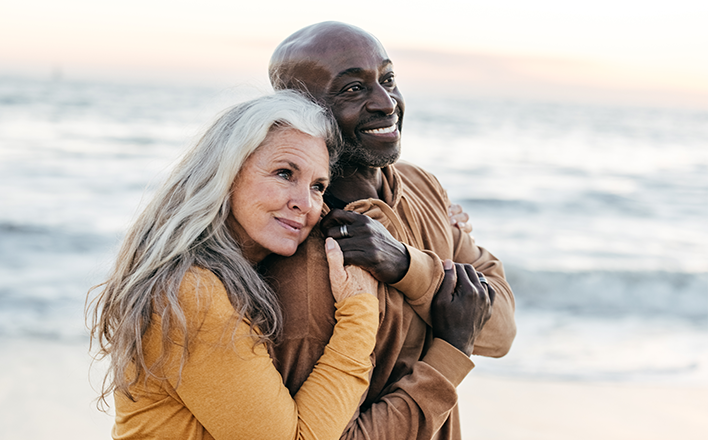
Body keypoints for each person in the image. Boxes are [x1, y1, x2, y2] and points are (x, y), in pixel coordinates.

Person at [260, 22, 517, 440]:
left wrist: (405, 266)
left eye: (388, 79)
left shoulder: (423, 187)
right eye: (352, 89)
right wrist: (451, 346)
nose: (386, 102)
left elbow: (501, 332)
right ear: (300, 112)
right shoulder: (304, 255)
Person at [87, 91, 382, 440]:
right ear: (225, 173)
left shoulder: (223, 275)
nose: (305, 203)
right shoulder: (192, 292)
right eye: (284, 173)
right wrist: (359, 309)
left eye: (318, 186)